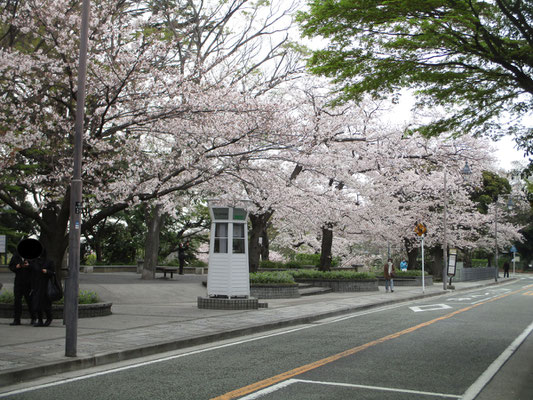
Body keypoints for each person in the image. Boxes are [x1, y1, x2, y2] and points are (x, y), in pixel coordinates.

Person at [8, 253, 36, 326]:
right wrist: (17, 266)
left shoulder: (31, 257)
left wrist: (29, 265)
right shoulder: (16, 256)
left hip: (28, 283)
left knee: (30, 301)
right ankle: (17, 319)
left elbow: (35, 267)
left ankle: (33, 318)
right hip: (18, 282)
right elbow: (11, 266)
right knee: (17, 301)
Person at [29, 250, 55, 327]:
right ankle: (40, 320)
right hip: (37, 286)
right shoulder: (35, 262)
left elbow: (53, 272)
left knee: (46, 304)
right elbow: (31, 271)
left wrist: (46, 271)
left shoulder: (49, 262)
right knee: (37, 304)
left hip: (46, 286)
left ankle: (49, 318)